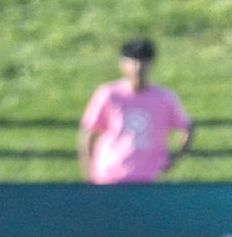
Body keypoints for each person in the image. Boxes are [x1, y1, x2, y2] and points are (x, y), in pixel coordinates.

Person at [78, 37, 193, 184]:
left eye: (143, 61)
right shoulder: (109, 94)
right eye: (132, 61)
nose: (138, 67)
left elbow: (186, 128)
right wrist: (89, 173)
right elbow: (89, 132)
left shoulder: (164, 98)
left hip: (146, 176)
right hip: (109, 174)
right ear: (123, 64)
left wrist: (174, 160)